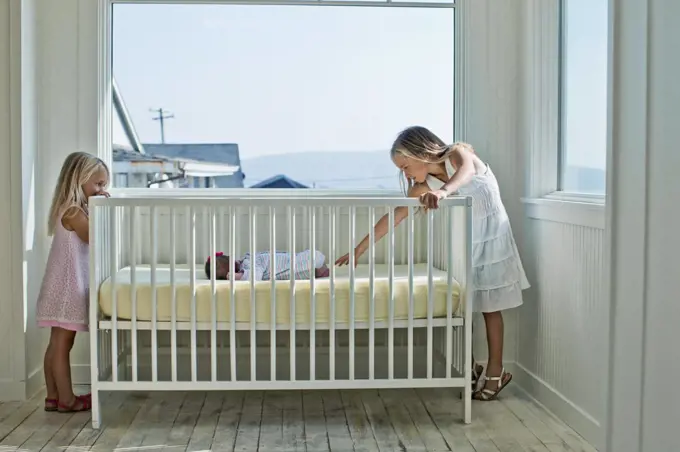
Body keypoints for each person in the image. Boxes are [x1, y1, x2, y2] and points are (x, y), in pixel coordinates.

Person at [336, 126, 529, 401]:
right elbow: (395, 217)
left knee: (490, 306)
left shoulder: (456, 154)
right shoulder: (422, 186)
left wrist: (444, 192)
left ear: (420, 154)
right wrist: (358, 250)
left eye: (405, 166)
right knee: (464, 306)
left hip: (493, 236)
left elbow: (467, 173)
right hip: (466, 243)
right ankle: (469, 366)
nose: (405, 173)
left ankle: (496, 370)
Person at [36, 152, 110, 412]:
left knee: (56, 343)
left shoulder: (69, 209)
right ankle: (67, 400)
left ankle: (53, 396)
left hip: (59, 284)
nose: (102, 190)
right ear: (79, 179)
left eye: (104, 185)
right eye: (98, 184)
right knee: (62, 344)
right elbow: (94, 238)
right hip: (68, 287)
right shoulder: (75, 212)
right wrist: (103, 211)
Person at [205, 249, 330, 281]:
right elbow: (255, 277)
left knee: (298, 260)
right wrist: (237, 276)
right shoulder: (247, 267)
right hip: (298, 266)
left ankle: (320, 268)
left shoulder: (248, 261)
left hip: (297, 259)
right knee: (298, 265)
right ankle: (320, 270)